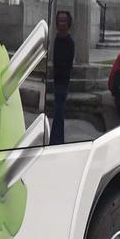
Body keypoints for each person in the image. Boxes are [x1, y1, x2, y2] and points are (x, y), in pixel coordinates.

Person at [50, 9, 75, 145]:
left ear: (68, 23)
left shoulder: (70, 41)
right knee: (58, 111)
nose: (61, 23)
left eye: (64, 21)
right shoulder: (57, 39)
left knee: (59, 110)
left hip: (63, 80)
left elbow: (68, 63)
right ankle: (57, 139)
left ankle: (56, 140)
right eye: (59, 20)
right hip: (56, 79)